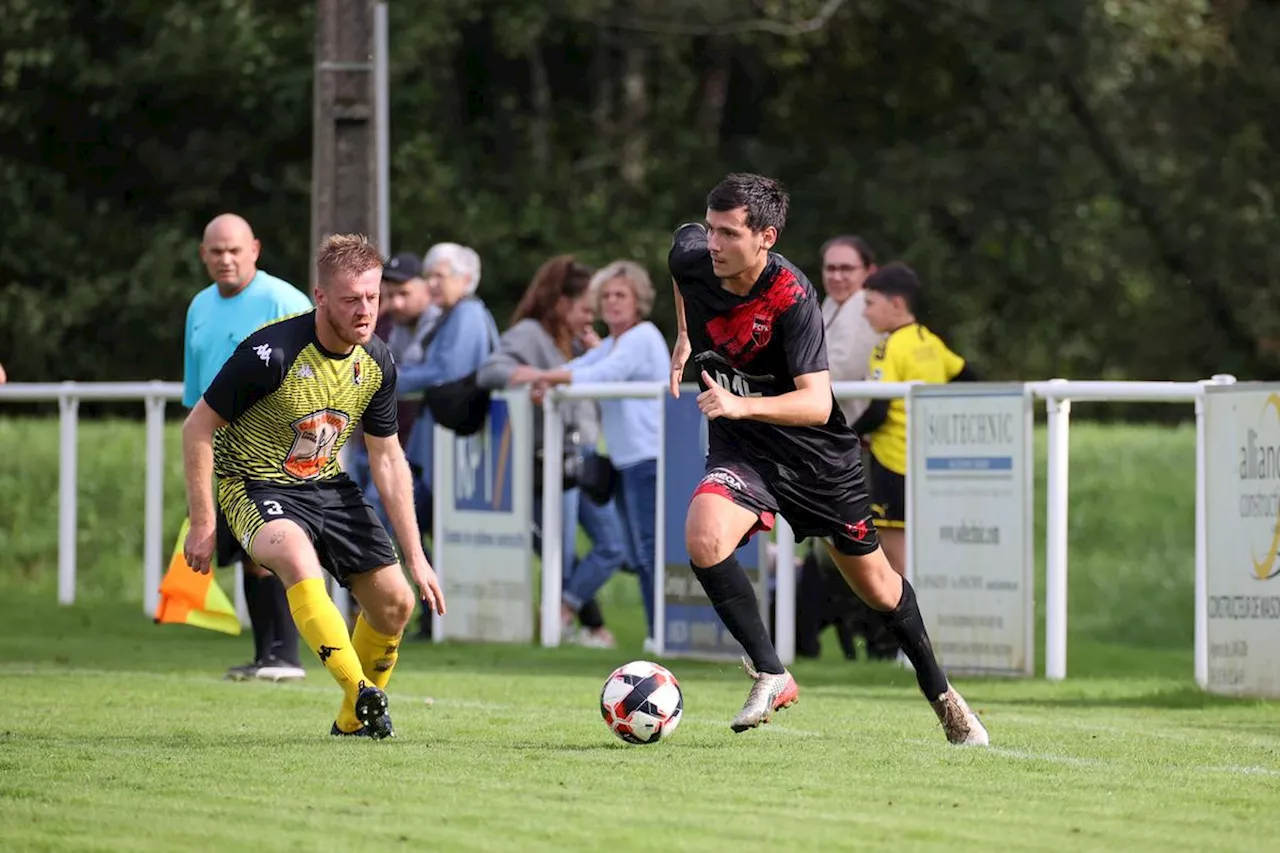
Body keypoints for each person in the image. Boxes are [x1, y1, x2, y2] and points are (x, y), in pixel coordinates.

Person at [668, 172, 988, 744]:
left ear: (765, 237)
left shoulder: (792, 296)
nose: (714, 244)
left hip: (815, 457)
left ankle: (941, 692)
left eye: (729, 234)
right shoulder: (696, 257)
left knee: (880, 589)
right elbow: (680, 251)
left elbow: (817, 404)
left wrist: (740, 406)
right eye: (712, 229)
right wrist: (685, 332)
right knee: (703, 536)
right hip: (745, 447)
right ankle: (771, 671)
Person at [180, 233, 446, 739]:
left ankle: (351, 722)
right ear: (320, 297)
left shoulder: (378, 361)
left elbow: (387, 459)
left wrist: (416, 556)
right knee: (299, 561)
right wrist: (203, 521)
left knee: (396, 604)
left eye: (373, 297)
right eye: (351, 300)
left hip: (325, 485)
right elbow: (197, 427)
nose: (365, 310)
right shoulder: (269, 353)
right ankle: (363, 691)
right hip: (252, 484)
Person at [512, 260, 670, 649]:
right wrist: (548, 378)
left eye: (622, 295)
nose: (613, 303)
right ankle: (657, 633)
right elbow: (584, 365)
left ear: (639, 301)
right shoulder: (616, 342)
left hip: (649, 458)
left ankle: (659, 636)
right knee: (637, 552)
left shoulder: (642, 336)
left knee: (648, 551)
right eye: (608, 296)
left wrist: (543, 378)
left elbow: (606, 373)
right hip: (627, 461)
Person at [184, 212, 313, 682]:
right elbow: (195, 393)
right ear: (203, 254)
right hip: (222, 450)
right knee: (244, 551)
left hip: (274, 448)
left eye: (235, 250)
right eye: (216, 251)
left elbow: (317, 372)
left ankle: (286, 654)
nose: (226, 259)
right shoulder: (199, 306)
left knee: (268, 548)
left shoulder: (283, 299)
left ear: (254, 250)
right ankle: (267, 656)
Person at [478, 255, 628, 648]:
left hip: (586, 460)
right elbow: (491, 371)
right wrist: (534, 380)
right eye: (584, 309)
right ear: (561, 303)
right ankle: (568, 626)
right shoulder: (530, 334)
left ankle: (563, 610)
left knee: (613, 546)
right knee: (558, 552)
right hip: (551, 465)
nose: (589, 318)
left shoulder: (579, 341)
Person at [854, 261, 976, 579]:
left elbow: (879, 411)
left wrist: (844, 434)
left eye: (869, 304)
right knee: (923, 552)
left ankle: (910, 626)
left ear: (896, 304)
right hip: (929, 465)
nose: (864, 313)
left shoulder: (887, 348)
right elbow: (968, 376)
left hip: (893, 463)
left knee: (896, 560)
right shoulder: (929, 341)